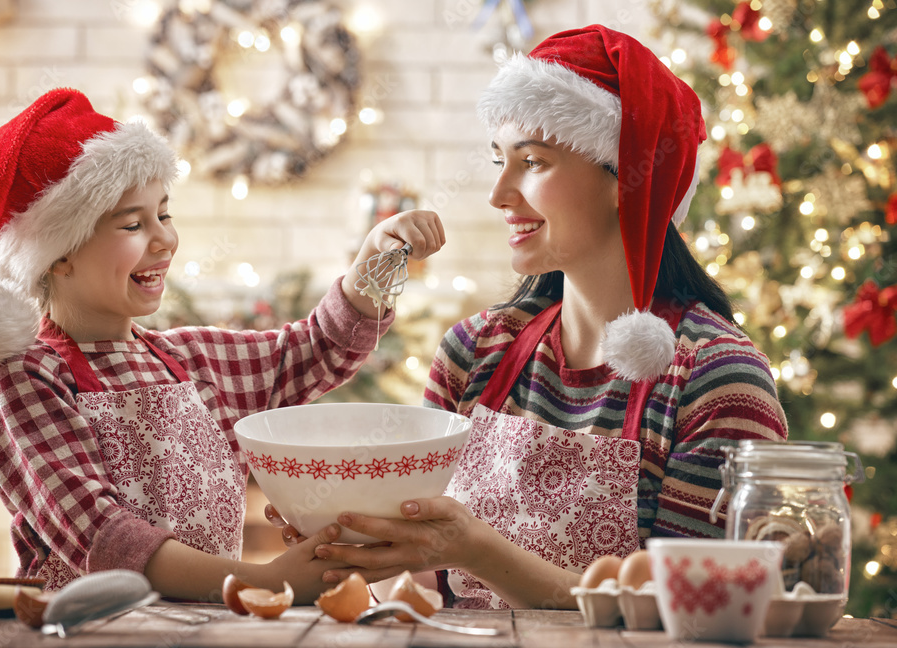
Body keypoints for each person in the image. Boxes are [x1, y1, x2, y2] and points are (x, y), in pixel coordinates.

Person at [272, 25, 788, 609]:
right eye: (500, 160)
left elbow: (697, 609)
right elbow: (413, 583)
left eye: (533, 162)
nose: (498, 193)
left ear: (628, 180)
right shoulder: (475, 351)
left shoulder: (717, 379)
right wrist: (345, 534)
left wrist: (476, 551)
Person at [0, 88, 445, 602]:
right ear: (58, 255)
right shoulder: (32, 379)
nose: (165, 239)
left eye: (164, 215)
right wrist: (264, 581)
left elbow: (314, 349)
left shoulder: (195, 361)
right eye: (133, 223)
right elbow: (106, 539)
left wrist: (376, 256)